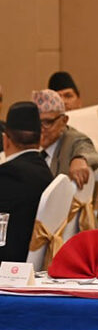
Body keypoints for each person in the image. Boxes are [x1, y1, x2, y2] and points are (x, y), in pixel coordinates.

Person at [0, 103, 54, 263]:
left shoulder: (7, 174)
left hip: (9, 265)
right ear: (40, 139)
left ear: (5, 140)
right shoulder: (45, 171)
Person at [33, 89, 98, 190]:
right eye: (36, 122)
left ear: (64, 120)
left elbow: (86, 148)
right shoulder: (28, 137)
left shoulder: (73, 139)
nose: (41, 129)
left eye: (48, 122)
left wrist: (81, 159)